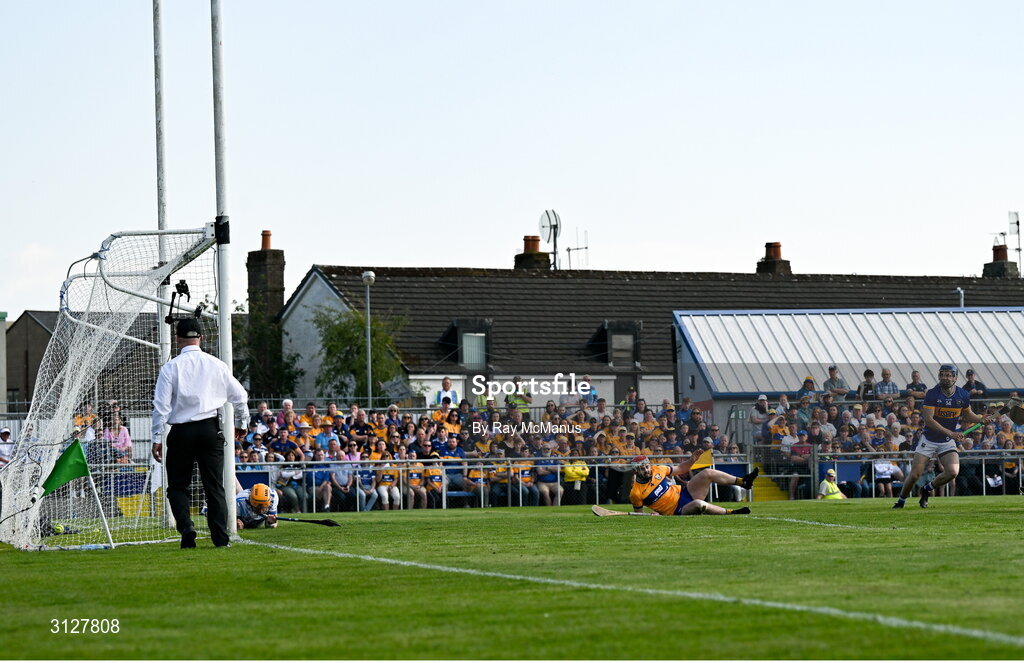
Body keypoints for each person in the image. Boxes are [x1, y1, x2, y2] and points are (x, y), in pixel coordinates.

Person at [151, 318, 249, 548]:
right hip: (209, 429)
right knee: (214, 485)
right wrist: (241, 423)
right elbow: (240, 396)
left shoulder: (171, 367)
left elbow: (161, 407)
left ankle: (186, 527)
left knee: (178, 486)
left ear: (177, 339)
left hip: (181, 431)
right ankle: (220, 538)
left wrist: (156, 438)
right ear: (201, 338)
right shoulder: (217, 364)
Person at [893, 364, 988, 509]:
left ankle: (927, 489)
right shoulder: (932, 393)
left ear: (955, 377)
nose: (945, 377)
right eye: (942, 374)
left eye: (949, 375)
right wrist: (952, 433)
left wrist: (980, 418)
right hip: (929, 440)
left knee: (952, 472)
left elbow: (967, 414)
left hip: (947, 441)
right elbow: (929, 421)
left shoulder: (963, 394)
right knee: (915, 475)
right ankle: (901, 501)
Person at [628, 455, 757, 516]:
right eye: (642, 469)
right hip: (676, 510)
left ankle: (743, 482)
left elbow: (680, 469)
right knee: (699, 504)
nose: (646, 470)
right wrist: (655, 515)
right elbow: (639, 514)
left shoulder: (658, 469)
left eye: (646, 467)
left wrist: (692, 460)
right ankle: (731, 512)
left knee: (707, 473)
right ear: (635, 472)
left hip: (685, 492)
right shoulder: (636, 493)